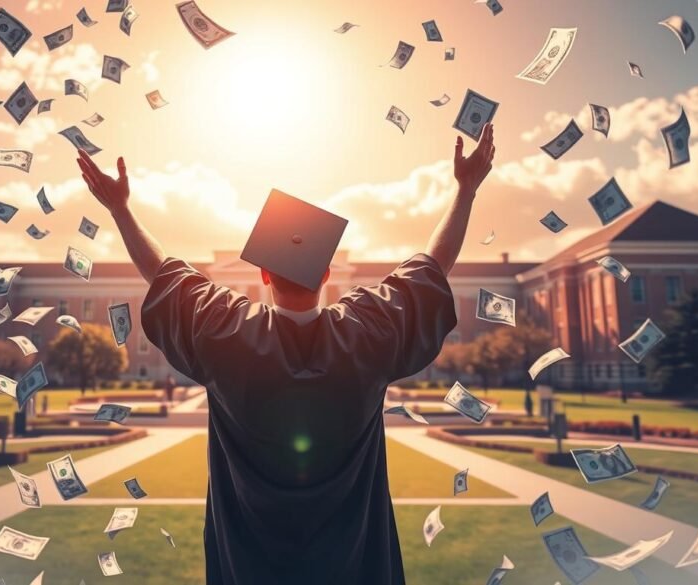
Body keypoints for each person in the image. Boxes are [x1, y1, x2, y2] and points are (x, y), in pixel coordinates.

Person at [75, 123, 495, 585]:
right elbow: (433, 267)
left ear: (265, 277)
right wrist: (466, 191)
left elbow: (163, 275)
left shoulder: (226, 335)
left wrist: (120, 210)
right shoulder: (369, 334)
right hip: (352, 568)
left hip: (251, 568)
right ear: (327, 272)